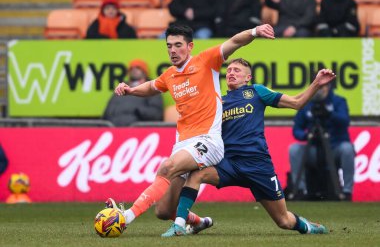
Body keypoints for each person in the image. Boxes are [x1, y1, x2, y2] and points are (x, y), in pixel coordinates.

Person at [106, 23, 275, 228]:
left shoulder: (206, 61)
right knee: (164, 211)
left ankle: (125, 217)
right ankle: (199, 222)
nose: (173, 50)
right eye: (169, 46)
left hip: (208, 141)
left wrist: (255, 32)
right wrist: (131, 90)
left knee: (167, 167)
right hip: (183, 145)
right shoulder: (170, 75)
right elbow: (151, 86)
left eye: (178, 45)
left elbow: (235, 42)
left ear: (190, 46)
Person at [159, 58, 335, 237]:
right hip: (230, 164)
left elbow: (297, 103)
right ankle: (179, 226)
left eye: (237, 70)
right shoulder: (218, 102)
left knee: (284, 221)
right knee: (197, 174)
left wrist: (316, 84)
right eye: (229, 70)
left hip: (258, 165)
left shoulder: (257, 92)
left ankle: (308, 227)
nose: (231, 73)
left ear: (247, 77)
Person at [289, 83, 355, 201]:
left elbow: (345, 122)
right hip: (313, 149)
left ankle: (347, 192)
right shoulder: (306, 103)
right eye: (317, 87)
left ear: (328, 87)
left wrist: (330, 114)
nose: (319, 90)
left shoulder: (338, 101)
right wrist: (306, 135)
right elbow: (296, 130)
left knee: (348, 148)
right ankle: (300, 190)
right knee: (294, 149)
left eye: (322, 87)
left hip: (335, 148)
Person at [103, 59, 163, 126]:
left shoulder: (152, 88)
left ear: (144, 72)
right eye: (131, 68)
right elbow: (106, 113)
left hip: (137, 130)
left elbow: (156, 114)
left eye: (138, 67)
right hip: (113, 130)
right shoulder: (121, 88)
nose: (134, 70)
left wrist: (137, 111)